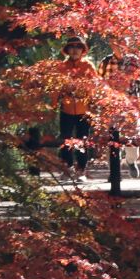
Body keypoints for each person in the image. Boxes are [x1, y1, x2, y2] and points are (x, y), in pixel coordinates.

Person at [53, 39, 98, 178]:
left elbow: (95, 86)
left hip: (84, 110)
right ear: (67, 50)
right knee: (65, 140)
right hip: (66, 109)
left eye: (78, 47)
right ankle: (67, 168)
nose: (75, 49)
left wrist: (94, 104)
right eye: (71, 47)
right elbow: (55, 88)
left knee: (82, 140)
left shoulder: (88, 66)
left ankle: (81, 171)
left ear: (82, 50)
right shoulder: (61, 67)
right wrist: (53, 103)